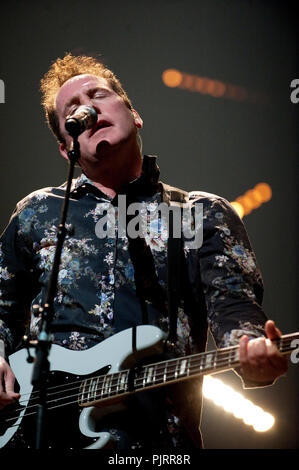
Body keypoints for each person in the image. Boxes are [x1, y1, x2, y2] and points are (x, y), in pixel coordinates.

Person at [0, 53, 288, 450]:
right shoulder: (39, 212)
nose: (88, 107)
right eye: (73, 109)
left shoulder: (200, 215)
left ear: (134, 115)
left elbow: (234, 313)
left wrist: (254, 352)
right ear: (68, 149)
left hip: (157, 446)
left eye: (98, 94)